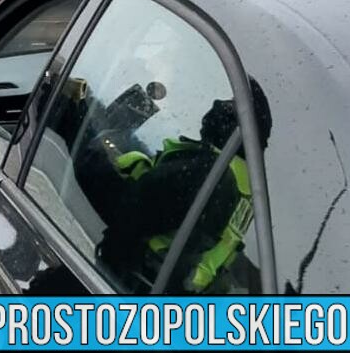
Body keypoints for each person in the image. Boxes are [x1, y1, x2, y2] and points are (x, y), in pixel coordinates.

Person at [94, 81, 273, 293]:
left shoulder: (210, 174)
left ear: (242, 126)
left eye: (231, 104)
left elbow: (134, 206)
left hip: (120, 282)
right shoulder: (244, 185)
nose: (218, 103)